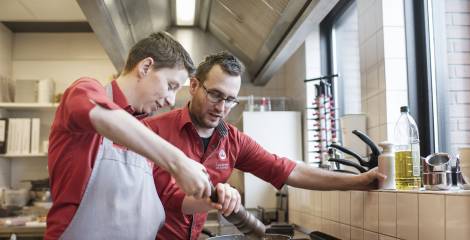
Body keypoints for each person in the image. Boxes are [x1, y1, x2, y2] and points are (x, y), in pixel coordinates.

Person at [143, 51, 386, 240]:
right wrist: (214, 195)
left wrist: (360, 180)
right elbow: (170, 198)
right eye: (215, 95)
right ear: (194, 86)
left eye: (230, 100)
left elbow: (288, 169)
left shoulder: (232, 140)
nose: (221, 107)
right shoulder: (154, 131)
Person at [45, 32, 237, 240]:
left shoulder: (142, 131)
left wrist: (213, 198)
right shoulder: (83, 90)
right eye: (171, 85)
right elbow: (104, 116)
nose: (171, 101)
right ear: (145, 67)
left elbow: (168, 197)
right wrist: (179, 162)